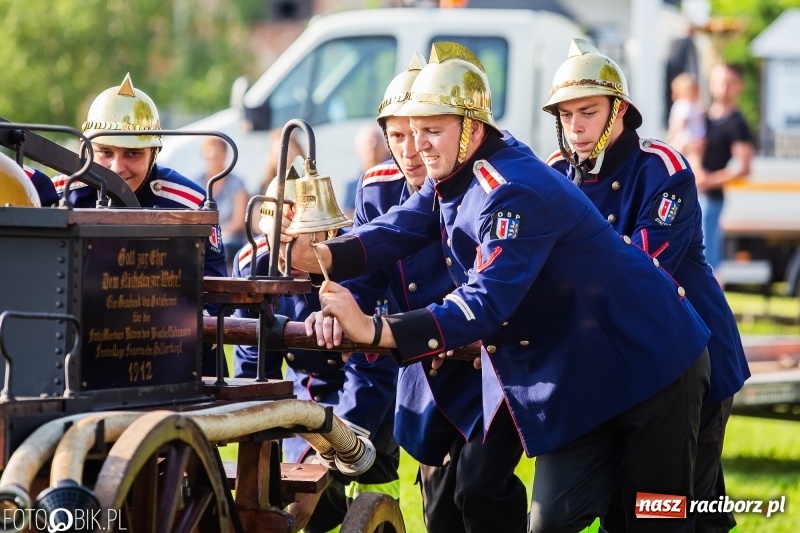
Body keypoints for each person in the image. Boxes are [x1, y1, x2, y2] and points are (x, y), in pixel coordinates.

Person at [288, 42, 710, 533]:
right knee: (549, 523)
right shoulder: (464, 171)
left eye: (432, 130)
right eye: (412, 129)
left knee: (653, 522)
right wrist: (321, 257)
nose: (418, 145)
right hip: (581, 371)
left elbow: (484, 303)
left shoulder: (510, 188)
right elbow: (402, 225)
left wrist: (376, 330)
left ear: (472, 127)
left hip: (654, 363)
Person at [543, 38, 750, 532]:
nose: (576, 126)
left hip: (687, 357)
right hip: (605, 363)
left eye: (588, 112)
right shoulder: (552, 174)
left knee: (686, 510)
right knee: (626, 509)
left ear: (620, 111)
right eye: (566, 114)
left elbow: (640, 270)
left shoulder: (663, 168)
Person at [310, 52, 490, 533]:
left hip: (478, 354)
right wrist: (335, 309)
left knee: (481, 487)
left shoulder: (481, 183)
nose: (411, 150)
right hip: (422, 363)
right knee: (438, 504)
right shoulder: (377, 187)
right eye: (397, 135)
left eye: (422, 133)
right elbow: (363, 282)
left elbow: (489, 283)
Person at [232, 167, 400, 533]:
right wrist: (253, 434)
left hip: (367, 399)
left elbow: (374, 367)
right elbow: (252, 361)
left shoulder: (365, 268)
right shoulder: (252, 265)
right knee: (293, 506)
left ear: (328, 232)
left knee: (373, 488)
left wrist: (329, 463)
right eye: (274, 238)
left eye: (294, 240)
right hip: (301, 397)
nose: (280, 252)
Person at [53, 73, 227, 377]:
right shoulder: (60, 197)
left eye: (132, 153)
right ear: (88, 150)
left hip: (172, 361)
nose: (117, 168)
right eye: (105, 153)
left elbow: (214, 295)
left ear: (154, 152)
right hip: (77, 356)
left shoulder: (190, 204)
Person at [697, 63, 754, 271]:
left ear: (739, 86)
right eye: (719, 82)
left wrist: (708, 180)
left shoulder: (736, 123)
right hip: (690, 195)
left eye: (729, 83)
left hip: (711, 199)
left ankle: (712, 303)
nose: (723, 87)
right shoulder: (701, 117)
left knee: (707, 258)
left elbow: (744, 167)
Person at [196, 136, 249, 273]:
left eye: (216, 156)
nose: (212, 160)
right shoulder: (197, 182)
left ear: (225, 156)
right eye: (209, 156)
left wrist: (215, 233)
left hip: (230, 238)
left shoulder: (237, 184)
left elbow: (238, 223)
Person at [342, 123, 390, 218]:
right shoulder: (352, 181)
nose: (372, 147)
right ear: (358, 150)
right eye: (368, 143)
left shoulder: (396, 174)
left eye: (376, 142)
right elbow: (348, 214)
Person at [666, 72, 706, 173]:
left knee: (676, 160)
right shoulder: (691, 105)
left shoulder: (683, 104)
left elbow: (678, 125)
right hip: (694, 137)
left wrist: (670, 138)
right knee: (693, 160)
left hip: (686, 138)